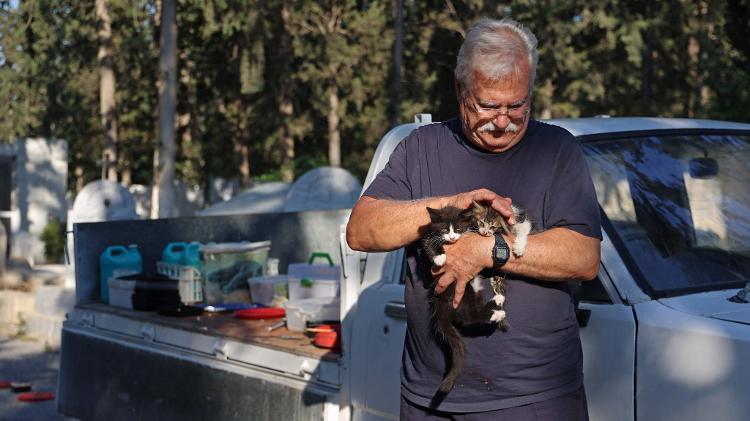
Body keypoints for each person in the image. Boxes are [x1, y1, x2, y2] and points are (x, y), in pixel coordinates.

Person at [346, 17, 602, 420]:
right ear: (460, 89)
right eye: (488, 106)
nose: (503, 121)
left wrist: (489, 250)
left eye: (517, 105)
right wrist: (449, 204)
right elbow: (361, 230)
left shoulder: (557, 151)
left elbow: (584, 257)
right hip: (432, 398)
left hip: (536, 400)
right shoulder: (420, 149)